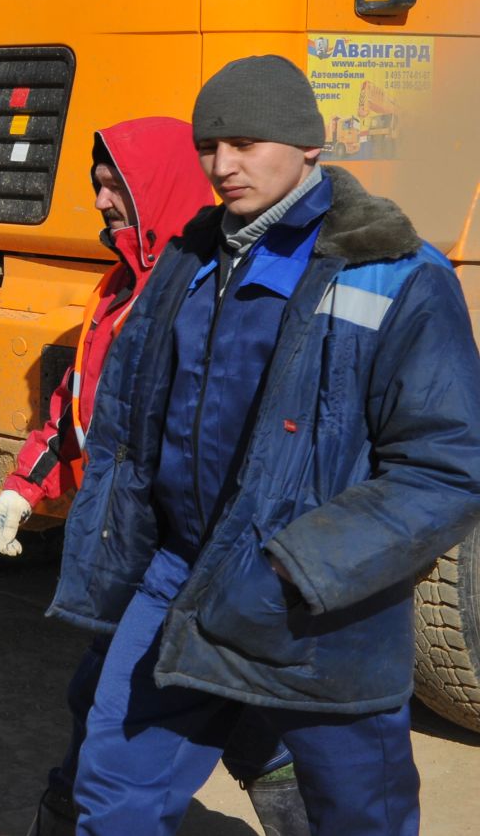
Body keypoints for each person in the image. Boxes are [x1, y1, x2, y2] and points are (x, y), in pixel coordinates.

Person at [50, 55, 480, 834]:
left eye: (246, 143)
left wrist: (301, 566)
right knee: (112, 794)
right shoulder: (188, 259)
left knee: (359, 817)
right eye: (210, 145)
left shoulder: (396, 274)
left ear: (308, 144)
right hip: (181, 575)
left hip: (320, 603)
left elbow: (447, 468)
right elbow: (129, 418)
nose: (222, 166)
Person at [0, 118, 306, 836]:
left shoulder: (203, 293)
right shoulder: (118, 286)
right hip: (132, 541)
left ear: (157, 184)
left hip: (188, 553)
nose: (102, 199)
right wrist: (26, 483)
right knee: (198, 707)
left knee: (124, 713)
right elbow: (79, 405)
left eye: (116, 185)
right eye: (98, 184)